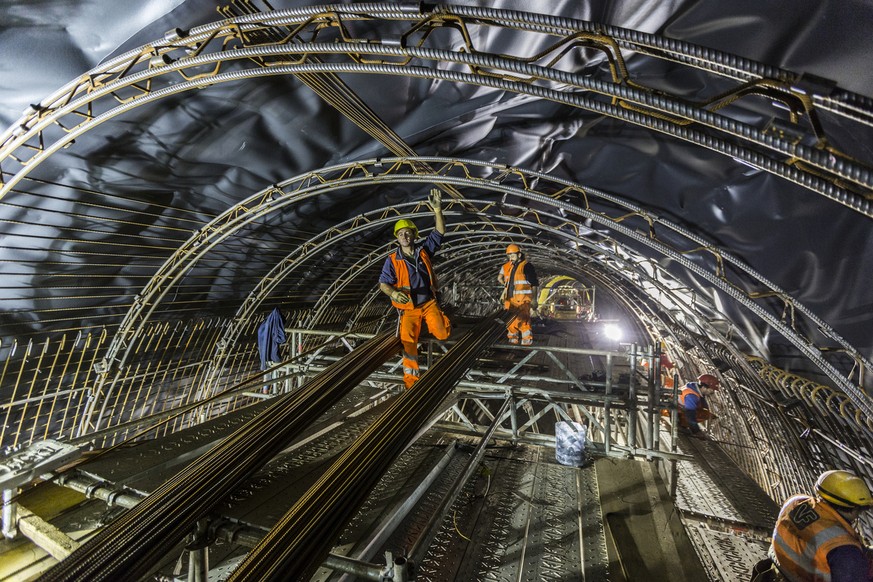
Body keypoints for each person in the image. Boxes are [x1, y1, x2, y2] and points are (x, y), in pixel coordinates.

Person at [379, 188, 451, 389]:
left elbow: (439, 232)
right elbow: (383, 283)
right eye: (400, 233)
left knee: (442, 334)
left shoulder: (424, 252)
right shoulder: (392, 260)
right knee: (408, 342)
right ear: (397, 238)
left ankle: (443, 321)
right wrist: (393, 292)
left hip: (428, 303)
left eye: (407, 232)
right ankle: (411, 382)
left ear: (413, 235)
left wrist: (437, 211)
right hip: (409, 308)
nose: (404, 236)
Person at [753, 469, 873, 582]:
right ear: (853, 509)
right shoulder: (844, 549)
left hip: (771, 573)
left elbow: (814, 541)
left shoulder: (795, 502)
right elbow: (847, 563)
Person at [498, 244, 539, 345]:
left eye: (512, 255)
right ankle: (513, 343)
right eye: (509, 256)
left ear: (519, 255)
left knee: (524, 323)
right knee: (511, 323)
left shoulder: (526, 266)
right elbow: (507, 282)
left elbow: (534, 284)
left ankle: (526, 343)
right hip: (511, 301)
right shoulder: (510, 267)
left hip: (522, 301)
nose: (510, 258)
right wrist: (504, 292)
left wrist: (534, 299)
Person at [678, 373, 719, 439]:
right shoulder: (692, 396)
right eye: (711, 390)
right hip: (676, 412)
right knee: (702, 415)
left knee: (706, 414)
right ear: (704, 387)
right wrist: (697, 432)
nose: (712, 392)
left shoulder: (693, 387)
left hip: (679, 408)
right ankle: (680, 423)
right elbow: (690, 415)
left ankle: (682, 422)